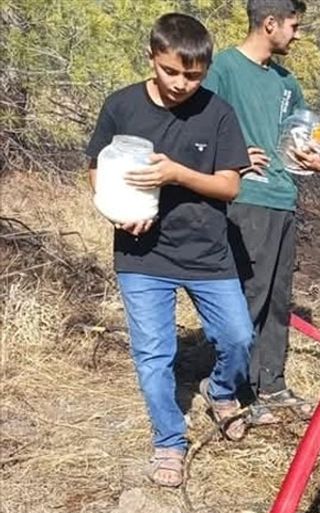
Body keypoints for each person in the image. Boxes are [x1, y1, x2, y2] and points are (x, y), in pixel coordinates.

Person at [86, 13, 253, 487]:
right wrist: (114, 212)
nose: (181, 84)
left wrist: (177, 174)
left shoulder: (218, 113)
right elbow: (97, 168)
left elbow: (229, 186)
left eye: (193, 75)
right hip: (142, 257)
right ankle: (169, 442)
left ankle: (220, 390)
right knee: (154, 355)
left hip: (207, 255)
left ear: (206, 69)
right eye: (170, 71)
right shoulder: (120, 106)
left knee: (239, 338)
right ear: (152, 58)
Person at [202, 0, 320, 425]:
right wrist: (233, 157)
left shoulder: (287, 81)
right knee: (249, 296)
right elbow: (198, 128)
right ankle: (228, 385)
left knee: (277, 298)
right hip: (246, 201)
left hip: (283, 198)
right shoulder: (223, 68)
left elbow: (299, 138)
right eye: (293, 26)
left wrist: (316, 157)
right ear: (270, 23)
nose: (297, 34)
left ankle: (270, 384)